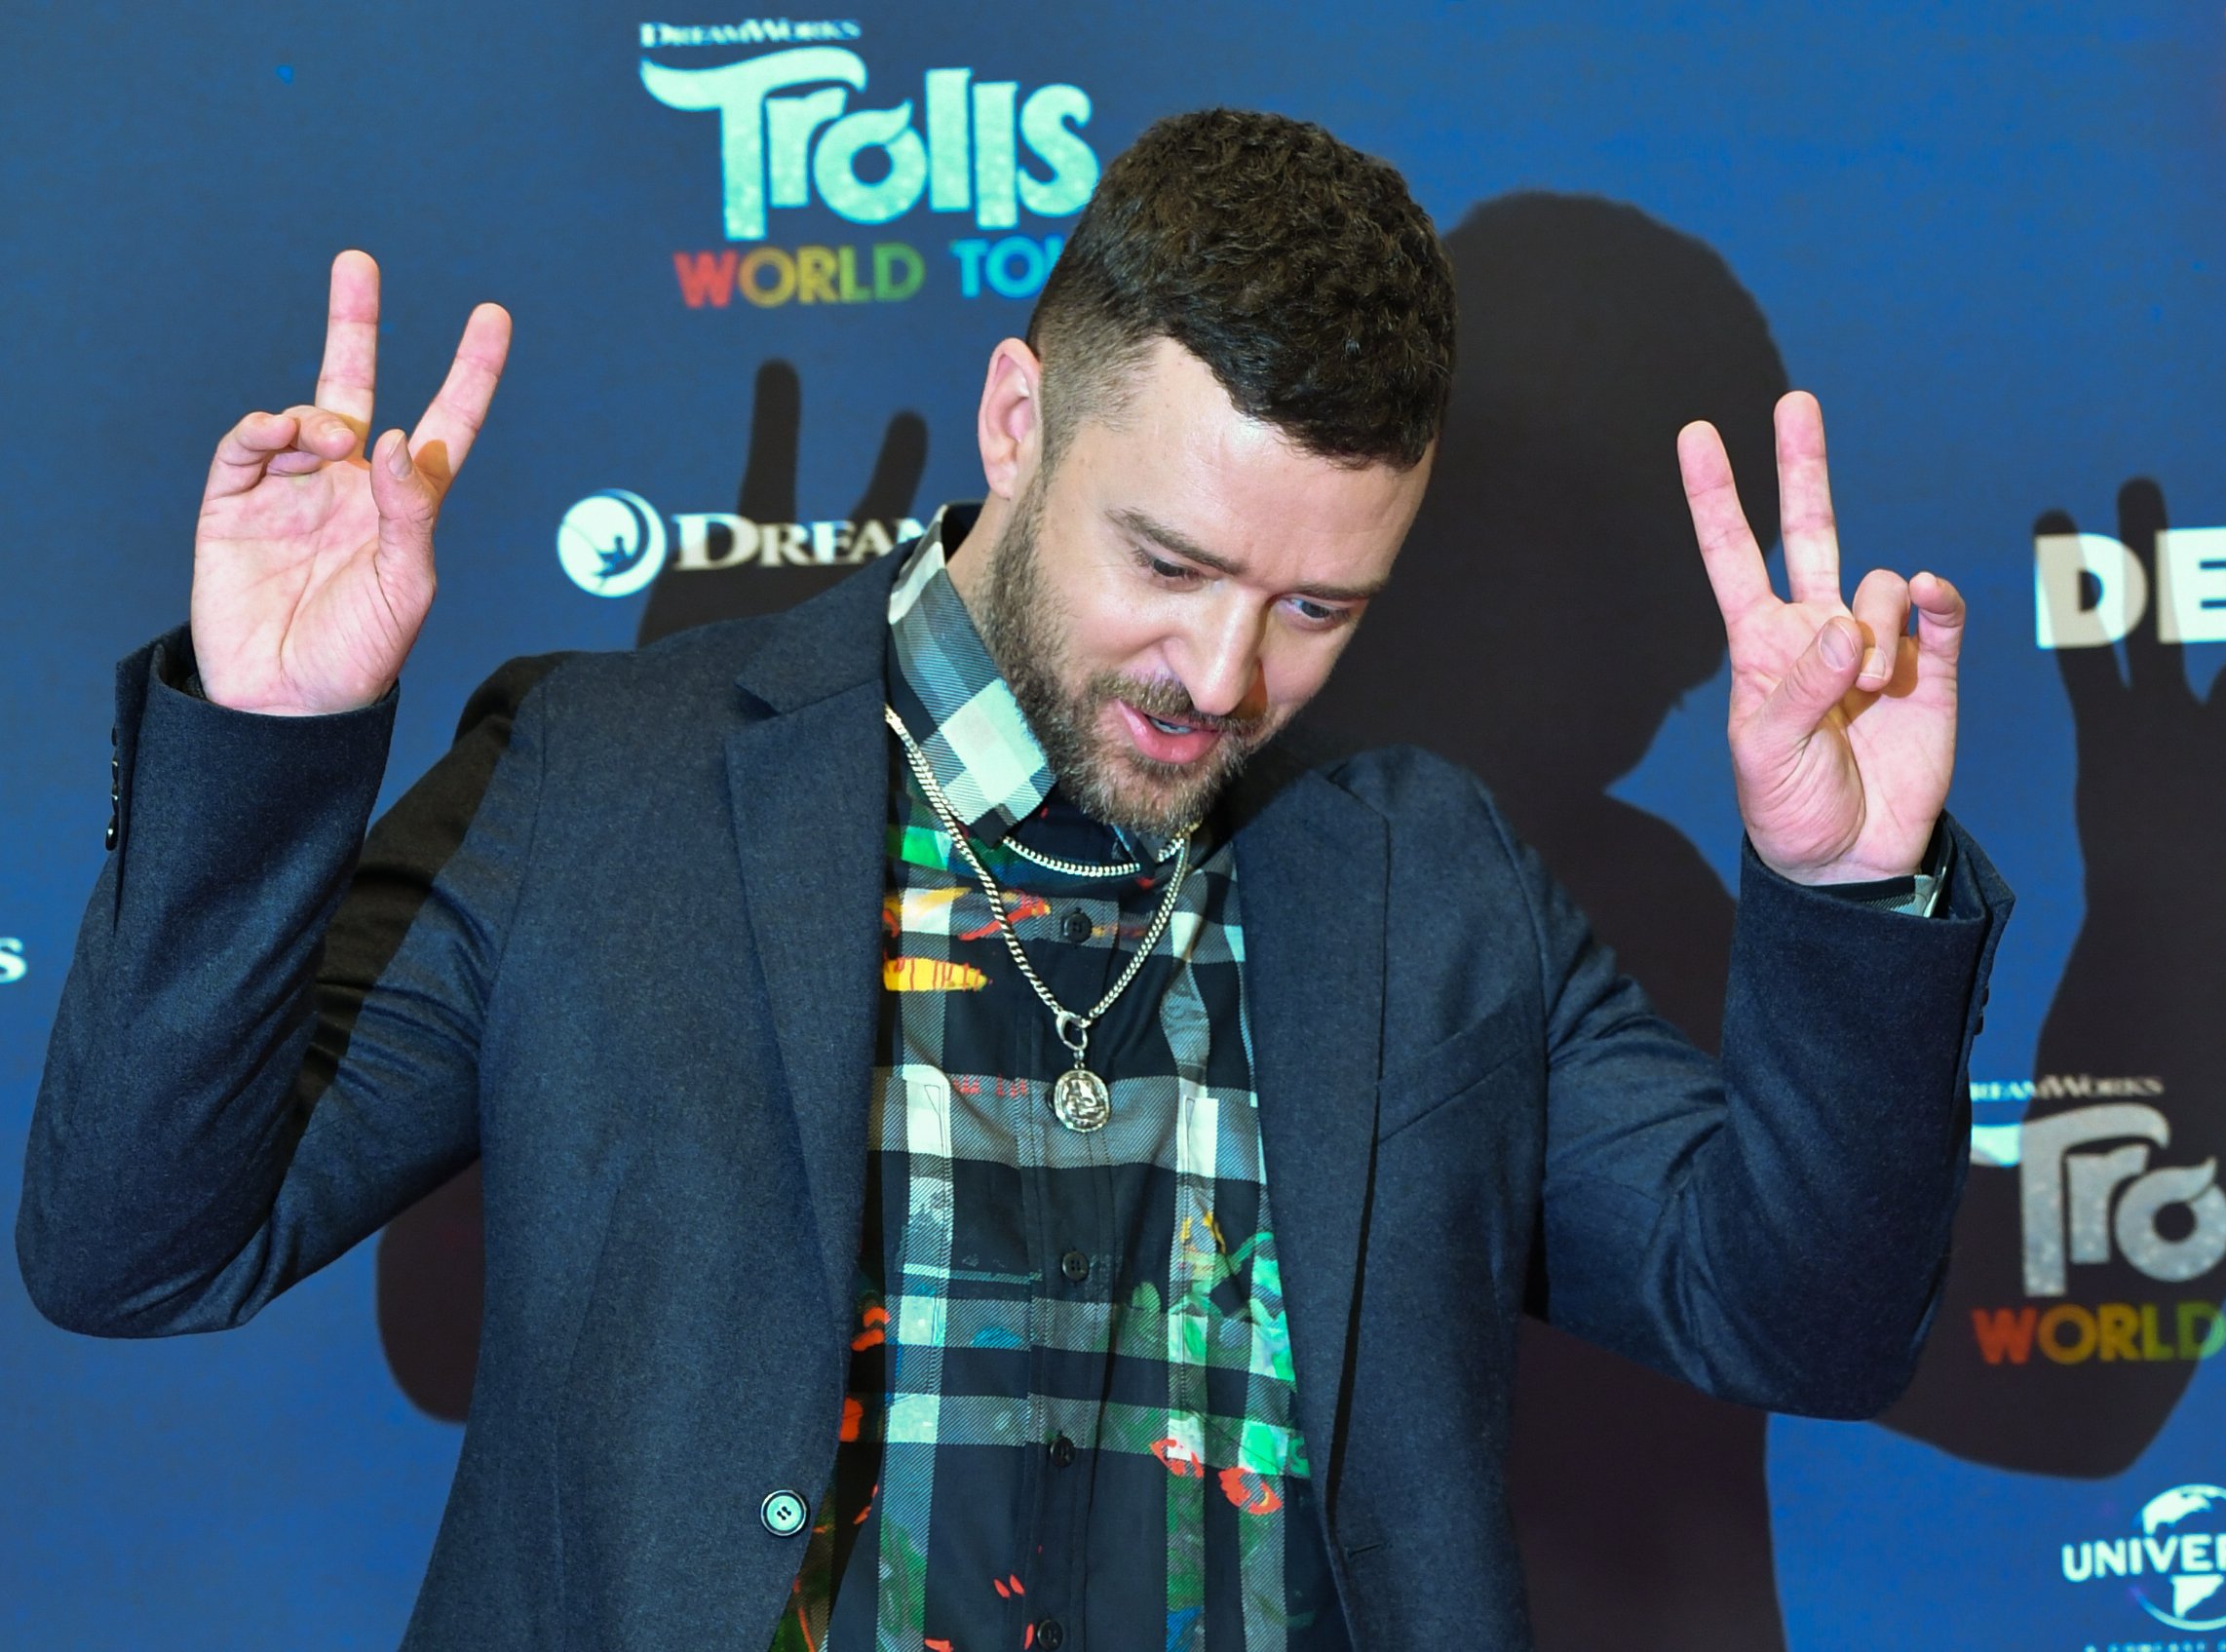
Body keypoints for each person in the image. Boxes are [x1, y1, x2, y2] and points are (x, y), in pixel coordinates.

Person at [19, 109, 2011, 1651]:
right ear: (1013, 416)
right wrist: (267, 740)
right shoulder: (600, 781)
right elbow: (134, 1246)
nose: (1225, 675)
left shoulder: (1430, 885)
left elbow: (1802, 1321)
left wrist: (1844, 889)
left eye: (1319, 603)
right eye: (1168, 563)